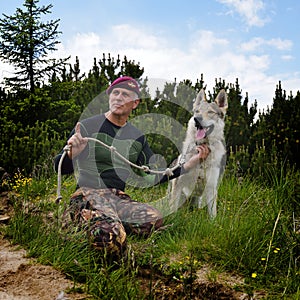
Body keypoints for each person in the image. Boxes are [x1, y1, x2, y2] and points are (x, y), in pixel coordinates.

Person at [54, 76, 210, 255]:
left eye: (125, 94)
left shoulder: (137, 137)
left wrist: (188, 165)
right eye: (115, 93)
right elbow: (59, 167)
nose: (118, 97)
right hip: (87, 194)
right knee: (109, 238)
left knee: (155, 219)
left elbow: (153, 175)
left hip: (118, 197)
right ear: (109, 97)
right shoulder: (87, 126)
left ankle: (108, 221)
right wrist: (71, 154)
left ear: (135, 103)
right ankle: (94, 222)